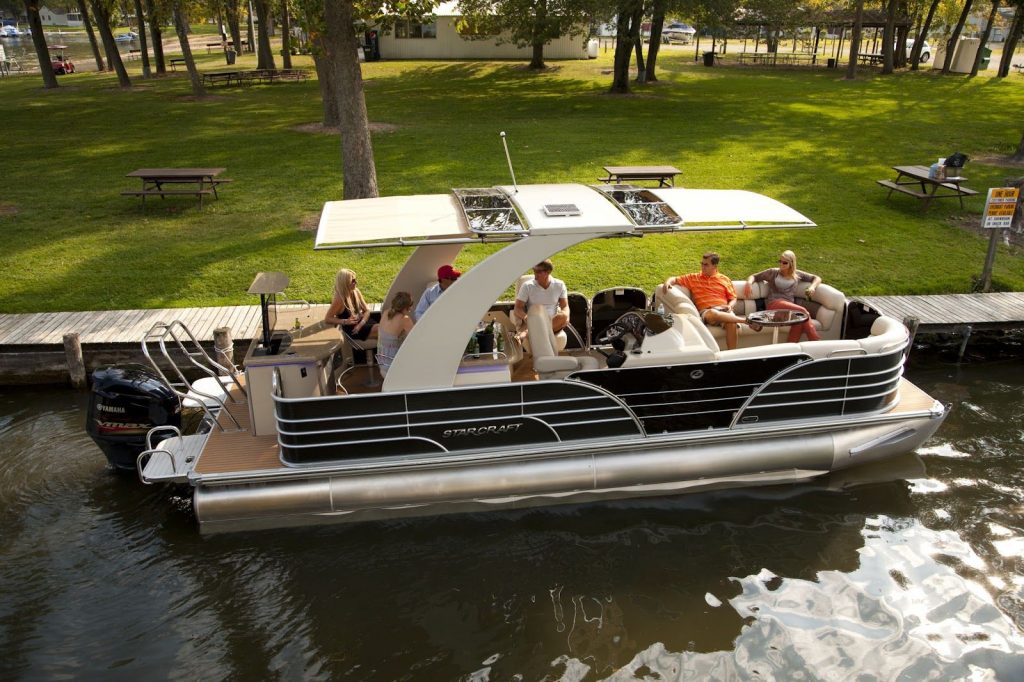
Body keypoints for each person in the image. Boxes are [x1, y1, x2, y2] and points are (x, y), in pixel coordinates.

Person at [660, 251, 755, 350]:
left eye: (706, 264)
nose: (702, 266)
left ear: (714, 266)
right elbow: (675, 279)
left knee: (731, 323)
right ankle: (746, 321)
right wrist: (667, 282)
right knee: (714, 313)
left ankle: (732, 354)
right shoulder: (693, 277)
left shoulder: (724, 279)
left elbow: (733, 297)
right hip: (707, 311)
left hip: (724, 309)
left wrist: (730, 306)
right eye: (702, 263)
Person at [744, 250, 822, 343]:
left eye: (784, 262)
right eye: (780, 261)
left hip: (789, 310)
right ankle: (815, 340)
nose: (781, 264)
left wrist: (812, 287)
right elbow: (754, 276)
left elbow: (816, 278)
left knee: (799, 322)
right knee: (802, 312)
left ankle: (790, 350)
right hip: (774, 305)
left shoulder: (797, 274)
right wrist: (749, 283)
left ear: (791, 263)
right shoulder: (773, 272)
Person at [514, 259, 569, 335]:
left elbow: (565, 306)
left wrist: (567, 317)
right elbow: (517, 308)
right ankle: (535, 331)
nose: (534, 273)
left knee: (563, 316)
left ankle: (527, 333)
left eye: (538, 271)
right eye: (534, 270)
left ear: (548, 272)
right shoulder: (527, 286)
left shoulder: (559, 285)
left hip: (553, 322)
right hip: (535, 321)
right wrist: (526, 317)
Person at [325, 268, 375, 341]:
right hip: (353, 329)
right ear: (345, 283)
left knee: (384, 327)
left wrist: (360, 325)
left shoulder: (355, 291)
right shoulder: (339, 299)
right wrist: (345, 321)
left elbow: (367, 310)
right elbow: (328, 319)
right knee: (383, 330)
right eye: (353, 281)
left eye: (355, 279)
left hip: (361, 323)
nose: (356, 282)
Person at [376, 292, 415, 376]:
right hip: (393, 368)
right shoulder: (405, 319)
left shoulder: (386, 312)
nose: (411, 308)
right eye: (410, 305)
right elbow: (414, 340)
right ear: (405, 307)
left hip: (382, 365)